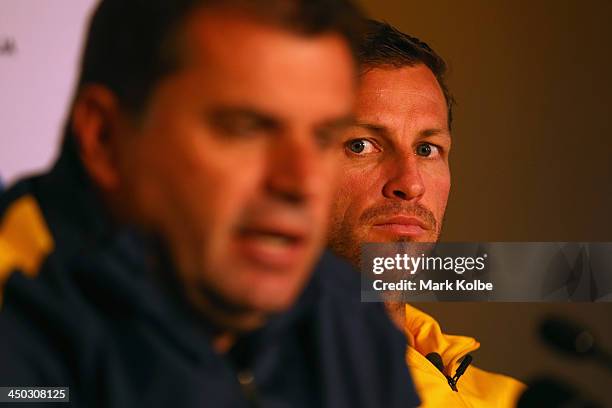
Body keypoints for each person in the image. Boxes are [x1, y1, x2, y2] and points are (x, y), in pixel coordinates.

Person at [0, 3, 420, 407]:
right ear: (104, 138)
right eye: (247, 128)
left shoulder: (346, 323)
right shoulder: (19, 319)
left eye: (325, 138)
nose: (301, 182)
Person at [328, 19, 525, 407]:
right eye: (361, 145)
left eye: (426, 149)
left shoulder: (512, 398)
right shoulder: (232, 380)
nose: (410, 183)